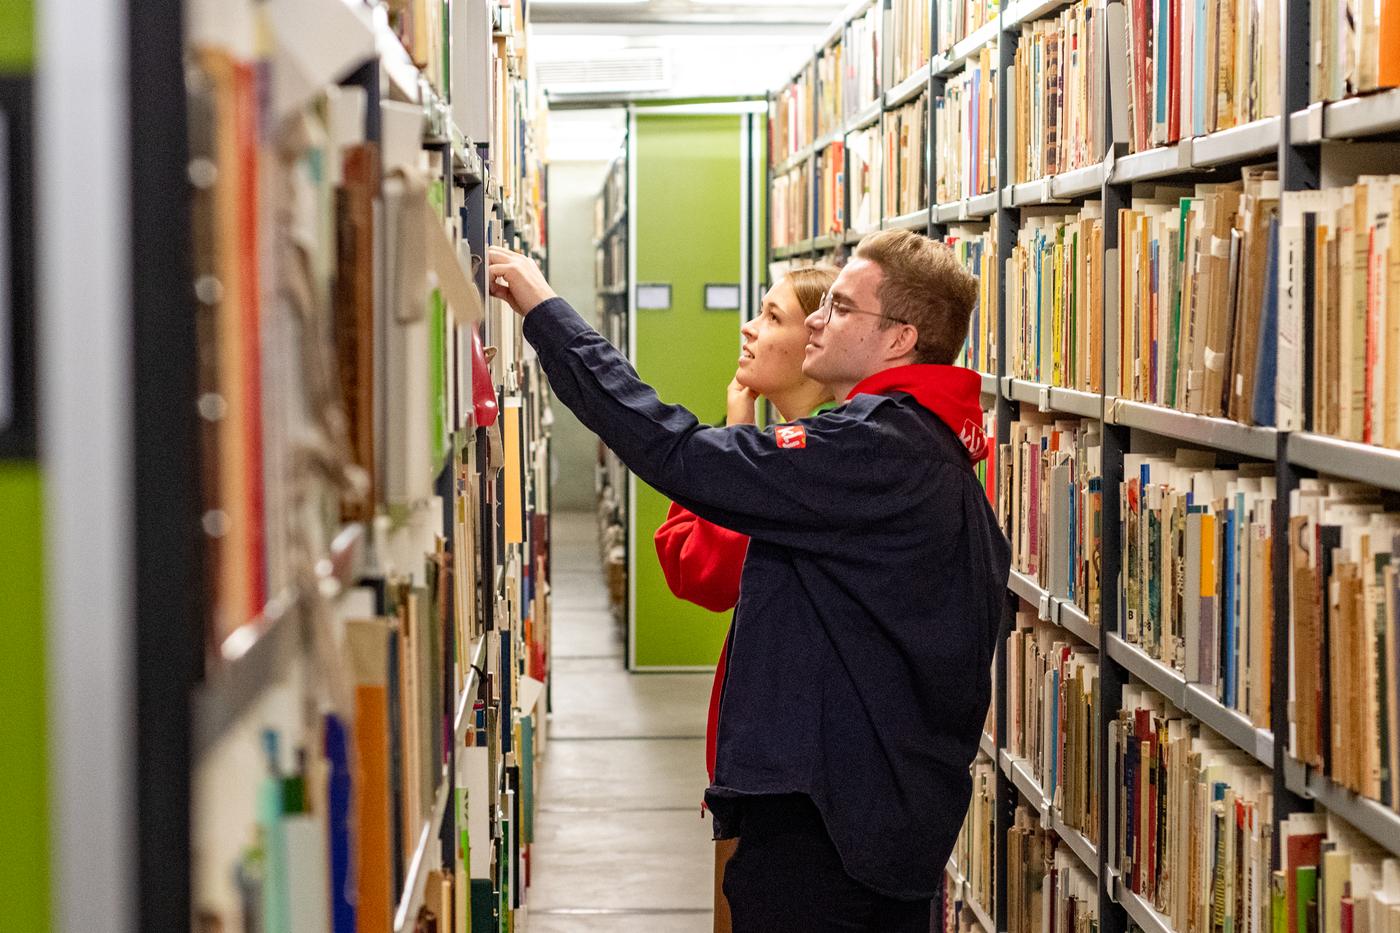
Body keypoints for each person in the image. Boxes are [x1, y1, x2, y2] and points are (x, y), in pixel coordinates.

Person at [488, 230, 1010, 933]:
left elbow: (675, 449)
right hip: (864, 818)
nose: (818, 319)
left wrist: (545, 312)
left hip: (832, 839)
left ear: (899, 339)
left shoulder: (876, 450)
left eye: (841, 307)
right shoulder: (921, 444)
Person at [652, 265, 837, 933]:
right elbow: (679, 554)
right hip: (759, 761)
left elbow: (708, 570)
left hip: (791, 778)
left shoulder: (817, 460)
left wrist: (735, 437)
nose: (748, 328)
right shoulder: (769, 449)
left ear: (817, 345)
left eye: (772, 316)